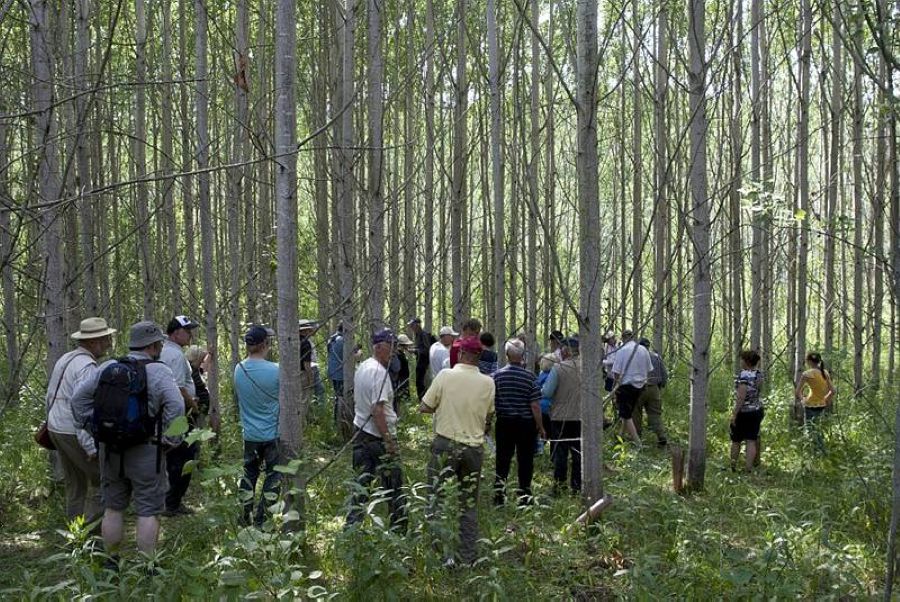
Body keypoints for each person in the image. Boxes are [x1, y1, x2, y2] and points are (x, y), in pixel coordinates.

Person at [71, 321, 184, 560]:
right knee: (147, 510)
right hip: (147, 450)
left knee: (113, 508)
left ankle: (112, 563)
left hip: (110, 450)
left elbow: (78, 400)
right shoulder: (160, 371)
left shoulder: (108, 367)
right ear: (154, 345)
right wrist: (171, 438)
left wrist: (95, 429)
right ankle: (148, 565)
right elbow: (176, 405)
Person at [420, 335, 495, 566]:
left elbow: (425, 406)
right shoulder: (488, 382)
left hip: (446, 443)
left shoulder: (445, 375)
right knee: (469, 504)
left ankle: (439, 554)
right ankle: (467, 557)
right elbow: (489, 416)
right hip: (473, 449)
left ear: (461, 354)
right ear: (479, 356)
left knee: (436, 498)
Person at [46, 317, 116, 524]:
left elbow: (50, 395)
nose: (109, 344)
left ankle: (76, 534)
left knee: (75, 484)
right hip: (72, 431)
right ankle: (92, 535)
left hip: (56, 427)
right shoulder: (87, 367)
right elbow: (83, 409)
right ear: (94, 342)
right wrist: (90, 447)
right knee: (103, 480)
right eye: (105, 339)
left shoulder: (66, 359)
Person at [346, 329, 406, 530]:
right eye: (391, 346)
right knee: (394, 486)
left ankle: (352, 528)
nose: (394, 351)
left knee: (361, 484)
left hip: (362, 432)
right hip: (377, 436)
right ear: (379, 347)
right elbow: (377, 409)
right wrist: (388, 440)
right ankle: (399, 530)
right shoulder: (378, 372)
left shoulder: (364, 366)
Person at [234, 325, 281, 527]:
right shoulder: (276, 370)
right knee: (273, 476)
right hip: (272, 435)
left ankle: (244, 515)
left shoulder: (239, 369)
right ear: (264, 344)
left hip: (250, 435)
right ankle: (263, 519)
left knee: (249, 474)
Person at [491, 339, 545, 506]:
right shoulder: (530, 377)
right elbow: (535, 405)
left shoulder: (497, 376)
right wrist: (541, 426)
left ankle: (499, 497)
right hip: (525, 425)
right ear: (522, 356)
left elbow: (491, 401)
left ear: (507, 355)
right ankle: (524, 497)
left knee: (502, 460)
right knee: (525, 460)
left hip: (504, 423)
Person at [161, 315, 201, 516]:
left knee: (175, 458)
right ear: (176, 333)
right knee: (183, 457)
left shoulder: (168, 351)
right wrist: (194, 406)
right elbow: (178, 388)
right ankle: (172, 503)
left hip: (173, 413)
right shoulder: (175, 355)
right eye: (187, 331)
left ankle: (171, 501)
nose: (190, 335)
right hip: (180, 415)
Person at [542, 338, 582, 494]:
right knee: (578, 453)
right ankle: (577, 486)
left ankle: (559, 486)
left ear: (566, 350)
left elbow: (547, 392)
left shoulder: (558, 368)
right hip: (580, 417)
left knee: (561, 452)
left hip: (560, 416)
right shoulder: (587, 368)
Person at [611, 329, 653, 445]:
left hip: (626, 386)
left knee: (626, 414)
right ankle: (621, 435)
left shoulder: (622, 351)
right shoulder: (643, 350)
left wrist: (615, 386)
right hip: (640, 386)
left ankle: (638, 443)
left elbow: (616, 372)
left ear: (623, 338)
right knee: (627, 412)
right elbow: (649, 369)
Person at [729, 349, 764, 471]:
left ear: (747, 361)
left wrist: (735, 414)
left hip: (744, 412)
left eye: (742, 359)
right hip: (756, 410)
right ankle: (748, 468)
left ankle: (733, 466)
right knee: (751, 439)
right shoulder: (759, 374)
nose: (740, 362)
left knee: (736, 440)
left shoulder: (744, 375)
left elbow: (741, 396)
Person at [794, 352, 834, 453]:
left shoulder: (807, 374)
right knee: (817, 429)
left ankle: (820, 452)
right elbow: (833, 391)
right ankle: (818, 452)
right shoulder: (825, 372)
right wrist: (826, 399)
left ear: (809, 361)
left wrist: (803, 400)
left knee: (811, 430)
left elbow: (797, 392)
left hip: (810, 405)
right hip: (821, 405)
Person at [634, 338, 668, 447]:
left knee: (636, 414)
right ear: (648, 346)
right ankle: (661, 436)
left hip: (638, 388)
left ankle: (637, 439)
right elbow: (664, 374)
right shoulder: (656, 357)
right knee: (655, 415)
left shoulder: (634, 356)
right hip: (654, 388)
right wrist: (660, 387)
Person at [407, 318, 436, 400]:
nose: (411, 328)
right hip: (420, 362)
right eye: (410, 326)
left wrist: (414, 350)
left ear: (417, 325)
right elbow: (420, 347)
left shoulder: (424, 335)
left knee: (422, 382)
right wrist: (414, 349)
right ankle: (421, 400)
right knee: (418, 382)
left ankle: (424, 400)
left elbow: (427, 350)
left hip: (425, 363)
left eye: (412, 326)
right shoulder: (417, 335)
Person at [299, 319, 325, 404]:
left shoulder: (297, 341)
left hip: (300, 372)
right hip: (305, 373)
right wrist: (311, 379)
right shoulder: (305, 343)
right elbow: (306, 364)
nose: (311, 331)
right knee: (305, 398)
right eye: (309, 330)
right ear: (305, 331)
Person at [535, 354, 555, 455]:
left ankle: (539, 449)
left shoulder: (541, 374)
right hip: (550, 406)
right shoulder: (554, 375)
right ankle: (552, 454)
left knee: (541, 429)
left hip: (539, 406)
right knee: (552, 431)